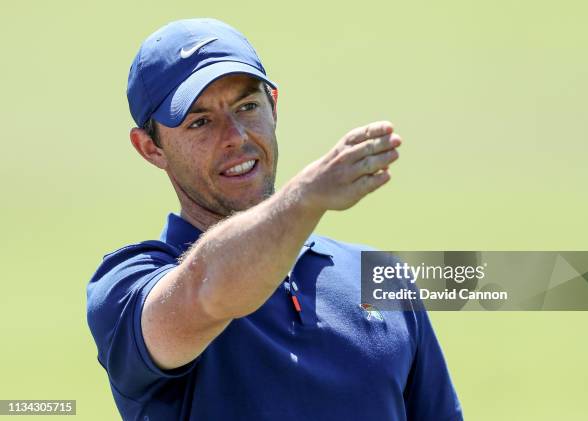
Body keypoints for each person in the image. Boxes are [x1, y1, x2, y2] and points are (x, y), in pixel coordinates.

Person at [86, 18, 463, 421]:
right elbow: (208, 289)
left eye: (247, 106)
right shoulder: (128, 287)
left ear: (274, 106)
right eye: (200, 121)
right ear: (150, 148)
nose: (234, 136)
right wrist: (303, 199)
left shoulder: (380, 276)